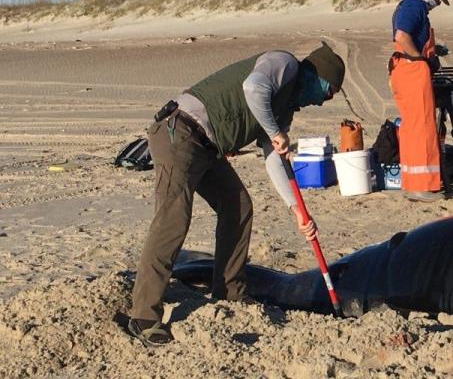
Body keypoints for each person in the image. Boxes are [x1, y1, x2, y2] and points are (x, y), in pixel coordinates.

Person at [128, 43, 346, 345]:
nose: (323, 102)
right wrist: (273, 132)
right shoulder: (284, 63)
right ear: (319, 77)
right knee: (173, 219)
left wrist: (297, 209)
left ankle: (229, 292)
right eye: (328, 92)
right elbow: (253, 88)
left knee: (238, 205)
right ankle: (144, 316)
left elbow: (274, 158)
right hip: (180, 132)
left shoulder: (284, 108)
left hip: (208, 148)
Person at [389, 0, 450, 202]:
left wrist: (434, 51)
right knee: (422, 127)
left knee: (413, 126)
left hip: (405, 68)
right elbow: (402, 36)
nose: (437, 5)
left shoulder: (411, 5)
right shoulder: (414, 5)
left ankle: (414, 182)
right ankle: (422, 185)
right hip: (411, 71)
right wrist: (420, 60)